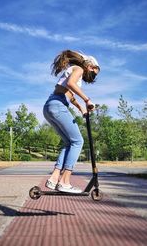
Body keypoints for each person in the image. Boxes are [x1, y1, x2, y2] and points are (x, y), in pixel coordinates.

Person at [43, 49, 100, 193]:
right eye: (94, 73)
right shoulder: (79, 69)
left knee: (69, 142)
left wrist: (81, 108)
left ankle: (54, 178)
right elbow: (71, 83)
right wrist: (87, 100)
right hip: (58, 105)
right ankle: (65, 181)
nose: (92, 76)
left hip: (50, 105)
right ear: (90, 66)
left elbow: (69, 92)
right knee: (78, 141)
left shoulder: (73, 70)